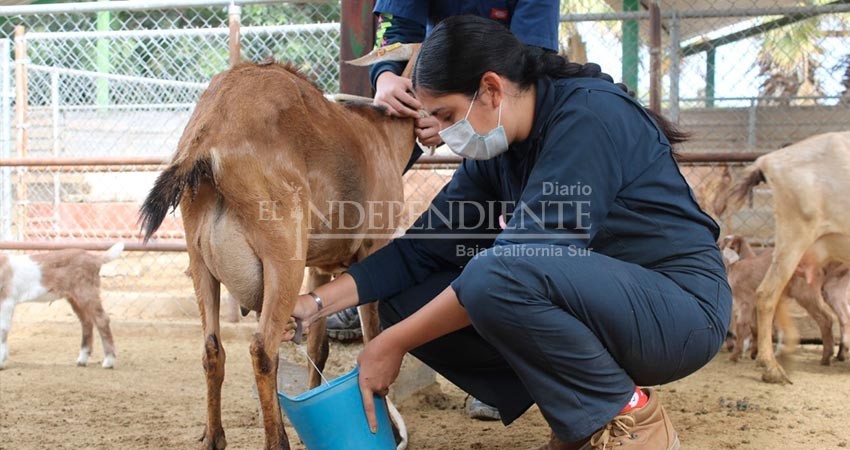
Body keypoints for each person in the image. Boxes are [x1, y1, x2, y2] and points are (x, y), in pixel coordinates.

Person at [296, 15, 732, 450]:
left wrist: (393, 343)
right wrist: (313, 304)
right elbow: (420, 251)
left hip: (679, 313)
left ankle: (635, 421)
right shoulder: (498, 149)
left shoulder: (587, 118)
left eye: (446, 115)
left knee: (495, 274)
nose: (444, 134)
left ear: (490, 88)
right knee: (403, 299)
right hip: (606, 305)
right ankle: (582, 420)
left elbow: (516, 264)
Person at [327, 1, 559, 339]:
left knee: (515, 233)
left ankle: (503, 347)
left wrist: (461, 115)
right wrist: (387, 76)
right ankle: (357, 287)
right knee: (382, 190)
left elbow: (530, 59)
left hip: (505, 103)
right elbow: (397, 25)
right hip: (438, 81)